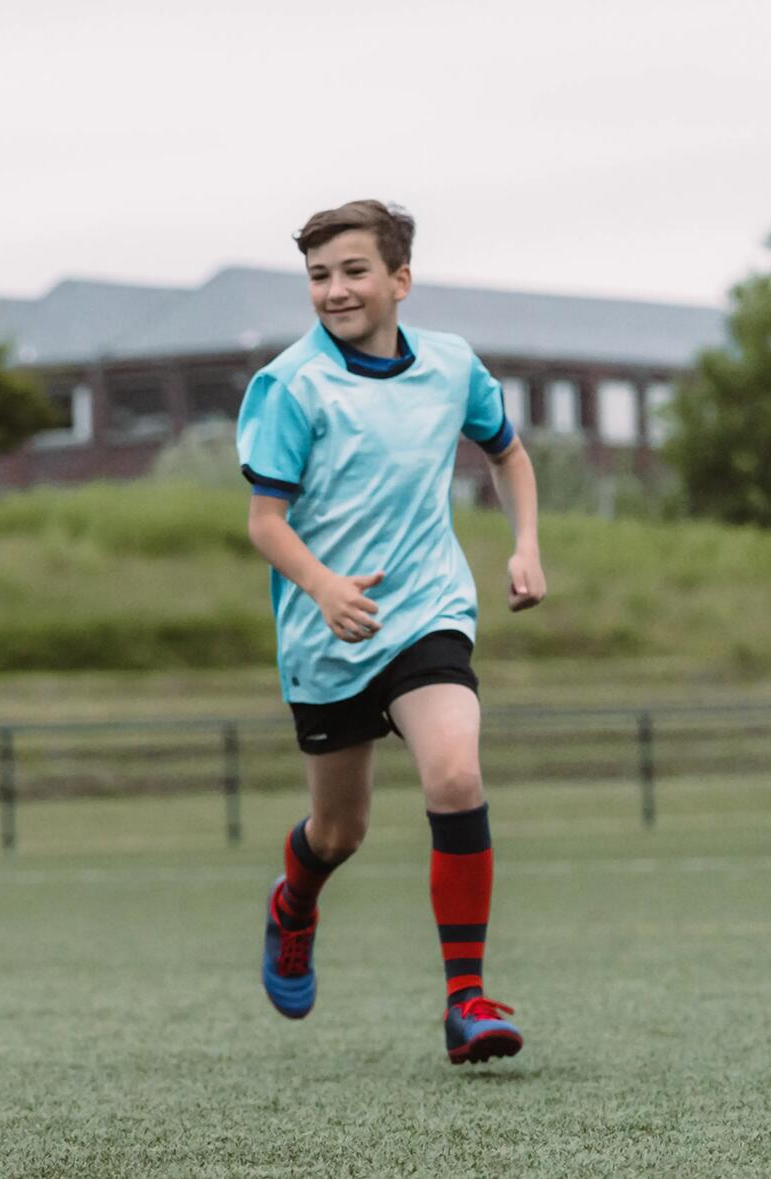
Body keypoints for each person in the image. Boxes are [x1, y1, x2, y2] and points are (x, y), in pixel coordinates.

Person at [236, 201, 545, 1064]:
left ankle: (466, 1000)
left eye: (353, 270)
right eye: (319, 275)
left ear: (400, 279)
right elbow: (266, 521)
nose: (334, 290)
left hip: (426, 612)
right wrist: (324, 584)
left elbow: (508, 452)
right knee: (340, 833)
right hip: (326, 634)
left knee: (454, 770)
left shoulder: (451, 366)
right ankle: (294, 903)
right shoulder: (291, 385)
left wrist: (524, 545)